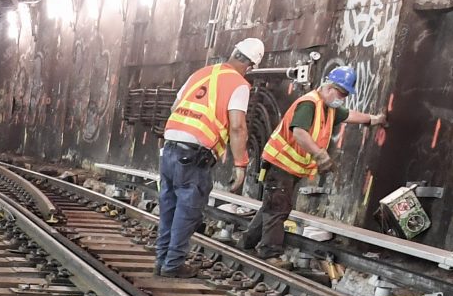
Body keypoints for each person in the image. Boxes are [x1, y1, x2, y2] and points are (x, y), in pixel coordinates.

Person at [248, 63, 381, 260]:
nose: (342, 99)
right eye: (340, 93)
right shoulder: (309, 104)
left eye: (345, 95)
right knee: (278, 208)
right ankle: (269, 252)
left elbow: (349, 115)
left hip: (288, 167)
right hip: (280, 163)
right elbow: (299, 132)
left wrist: (373, 119)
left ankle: (247, 242)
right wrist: (320, 155)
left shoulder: (328, 107)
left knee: (273, 205)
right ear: (328, 86)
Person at [156, 36, 262, 276]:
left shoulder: (200, 73)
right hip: (193, 156)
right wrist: (240, 164)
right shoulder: (239, 84)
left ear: (234, 52)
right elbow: (237, 127)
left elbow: (175, 108)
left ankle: (161, 260)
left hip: (170, 147)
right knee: (188, 210)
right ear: (251, 65)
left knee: (168, 207)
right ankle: (172, 266)